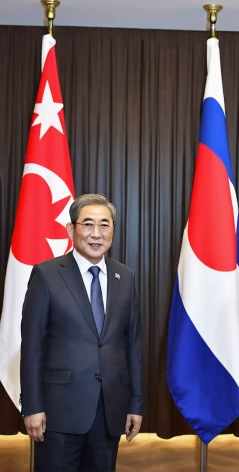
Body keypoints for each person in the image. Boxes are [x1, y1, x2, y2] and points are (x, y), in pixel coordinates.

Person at [20, 194, 143, 472]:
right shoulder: (47, 274)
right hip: (58, 412)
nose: (96, 234)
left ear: (113, 229)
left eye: (105, 225)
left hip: (110, 410)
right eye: (88, 224)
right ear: (71, 229)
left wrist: (135, 403)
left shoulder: (125, 276)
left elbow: (132, 345)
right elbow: (32, 347)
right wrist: (32, 406)